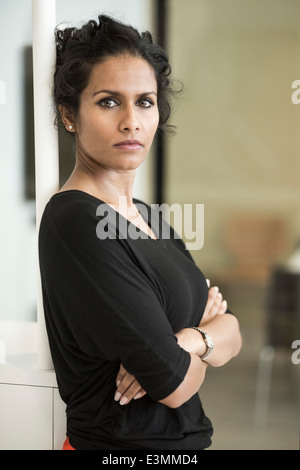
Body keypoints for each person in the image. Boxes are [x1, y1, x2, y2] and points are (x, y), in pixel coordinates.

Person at [38, 14, 242, 451]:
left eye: (145, 101)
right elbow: (174, 384)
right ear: (69, 115)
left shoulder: (151, 217)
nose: (132, 120)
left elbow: (232, 330)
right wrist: (202, 335)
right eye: (109, 101)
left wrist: (189, 338)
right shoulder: (76, 220)